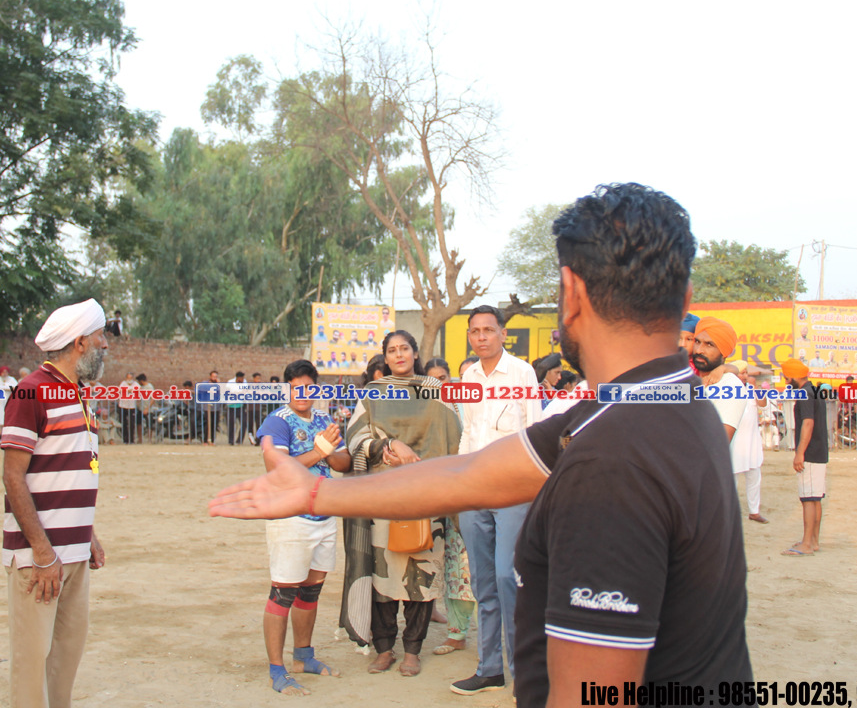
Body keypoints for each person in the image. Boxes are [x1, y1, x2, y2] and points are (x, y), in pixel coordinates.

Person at [210, 183, 753, 704]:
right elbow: (472, 473)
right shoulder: (663, 403)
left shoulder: (612, 459)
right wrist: (318, 494)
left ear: (572, 294)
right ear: (684, 299)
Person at [1, 298, 108, 708]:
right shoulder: (31, 391)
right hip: (40, 558)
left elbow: (69, 471)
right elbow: (13, 476)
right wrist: (42, 552)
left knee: (65, 657)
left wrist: (88, 535)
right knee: (32, 666)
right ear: (79, 343)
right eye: (100, 337)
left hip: (74, 553)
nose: (105, 345)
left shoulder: (79, 393)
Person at [342, 331, 462, 677]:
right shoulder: (373, 393)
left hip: (426, 495)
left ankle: (412, 650)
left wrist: (418, 461)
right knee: (383, 577)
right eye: (392, 350)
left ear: (415, 353)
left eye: (404, 349)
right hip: (384, 498)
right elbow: (356, 438)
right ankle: (384, 649)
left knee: (421, 575)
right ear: (386, 357)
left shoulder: (436, 391)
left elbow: (455, 436)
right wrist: (389, 447)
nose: (398, 355)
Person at [454, 304, 541, 695]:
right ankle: (489, 669)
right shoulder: (468, 376)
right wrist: (459, 480)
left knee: (509, 578)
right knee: (483, 582)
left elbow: (536, 431)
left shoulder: (522, 373)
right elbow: (467, 432)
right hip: (474, 489)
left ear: (503, 334)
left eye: (488, 330)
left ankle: (524, 674)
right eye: (475, 331)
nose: (481, 337)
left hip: (512, 489)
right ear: (469, 336)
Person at [253, 360, 350, 696]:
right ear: (287, 389)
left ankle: (303, 656)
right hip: (290, 517)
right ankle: (276, 670)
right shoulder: (276, 421)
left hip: (323, 514)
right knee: (283, 592)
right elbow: (279, 469)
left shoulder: (324, 419)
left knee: (311, 590)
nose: (302, 393)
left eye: (308, 387)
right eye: (296, 388)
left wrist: (330, 451)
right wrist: (318, 451)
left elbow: (343, 462)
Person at [422, 357, 477, 656]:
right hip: (437, 498)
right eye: (433, 381)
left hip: (471, 496)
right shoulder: (422, 410)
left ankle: (467, 632)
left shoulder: (470, 407)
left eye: (443, 378)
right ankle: (451, 628)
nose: (439, 385)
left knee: (468, 566)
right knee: (445, 563)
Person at [692, 318, 767, 524]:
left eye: (710, 345)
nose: (700, 349)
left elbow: (717, 445)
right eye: (697, 341)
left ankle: (753, 511)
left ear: (724, 352)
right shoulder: (690, 380)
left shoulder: (729, 386)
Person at [781, 358, 828, 556]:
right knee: (815, 498)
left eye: (786, 378)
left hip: (810, 452)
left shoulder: (805, 393)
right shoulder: (814, 390)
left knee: (808, 499)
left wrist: (799, 453)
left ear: (793, 376)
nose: (786, 382)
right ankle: (813, 541)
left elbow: (808, 423)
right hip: (819, 451)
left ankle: (807, 544)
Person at [199, 370, 222, 445]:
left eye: (216, 377)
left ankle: (212, 440)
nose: (214, 378)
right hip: (207, 407)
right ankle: (205, 440)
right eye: (213, 376)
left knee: (214, 424)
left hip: (216, 407)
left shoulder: (218, 385)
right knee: (208, 423)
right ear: (210, 376)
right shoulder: (205, 383)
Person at [118, 371, 140, 445]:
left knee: (131, 423)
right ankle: (125, 439)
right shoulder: (123, 383)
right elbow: (120, 390)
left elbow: (139, 390)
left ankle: (131, 439)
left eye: (131, 378)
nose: (129, 379)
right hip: (123, 406)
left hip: (132, 406)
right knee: (123, 423)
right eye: (128, 378)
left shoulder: (135, 384)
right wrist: (128, 390)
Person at [227, 371, 248, 446]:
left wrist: (239, 392)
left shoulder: (244, 382)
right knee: (231, 423)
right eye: (241, 378)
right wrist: (240, 392)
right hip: (231, 406)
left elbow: (245, 391)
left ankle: (239, 440)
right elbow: (230, 392)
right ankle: (231, 441)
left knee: (244, 422)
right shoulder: (230, 382)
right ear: (238, 378)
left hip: (241, 405)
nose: (242, 380)